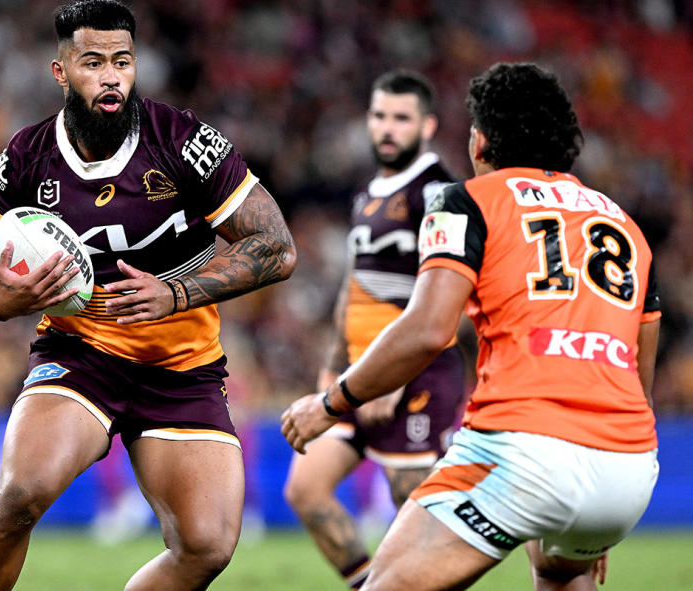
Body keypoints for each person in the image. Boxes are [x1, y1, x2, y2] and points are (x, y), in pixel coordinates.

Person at [0, 1, 296, 589]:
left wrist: (174, 294)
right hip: (81, 357)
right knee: (22, 493)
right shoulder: (26, 158)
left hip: (184, 368)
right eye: (92, 61)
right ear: (61, 71)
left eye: (121, 61)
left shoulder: (183, 142)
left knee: (207, 546)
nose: (110, 76)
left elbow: (276, 246)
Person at [281, 61, 660, 591]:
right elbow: (638, 370)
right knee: (557, 574)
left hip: (526, 446)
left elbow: (429, 330)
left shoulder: (465, 200)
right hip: (628, 468)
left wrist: (330, 403)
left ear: (479, 141)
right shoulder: (625, 225)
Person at [282, 70, 466, 590]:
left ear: (427, 125)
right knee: (306, 490)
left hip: (415, 374)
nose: (388, 128)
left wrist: (397, 374)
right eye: (380, 116)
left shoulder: (439, 193)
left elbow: (451, 297)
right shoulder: (366, 191)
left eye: (402, 118)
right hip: (357, 373)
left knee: (414, 503)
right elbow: (353, 285)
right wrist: (333, 364)